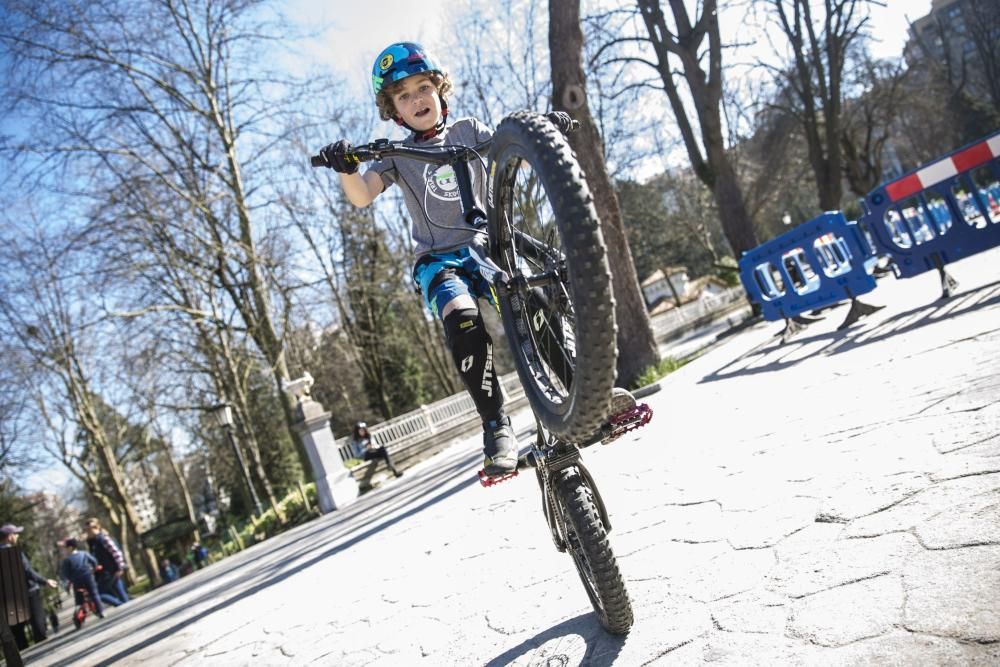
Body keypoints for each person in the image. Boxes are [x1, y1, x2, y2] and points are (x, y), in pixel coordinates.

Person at [319, 42, 634, 476]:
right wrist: (346, 168)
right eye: (403, 96)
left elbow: (512, 152)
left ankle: (585, 398)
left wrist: (545, 133)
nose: (417, 99)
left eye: (423, 87)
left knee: (529, 297)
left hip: (488, 247)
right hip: (438, 259)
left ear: (440, 89)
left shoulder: (469, 130)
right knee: (460, 315)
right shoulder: (394, 154)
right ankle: (495, 424)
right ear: (393, 111)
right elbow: (361, 196)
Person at [0, 523, 58, 649]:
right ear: (9, 537)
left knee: (17, 631)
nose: (17, 536)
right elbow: (28, 571)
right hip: (29, 592)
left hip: (9, 598)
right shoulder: (15, 552)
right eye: (15, 534)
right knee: (39, 625)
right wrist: (45, 581)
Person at [83, 518, 129, 605]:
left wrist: (120, 568)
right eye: (86, 530)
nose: (88, 532)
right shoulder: (93, 542)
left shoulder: (103, 539)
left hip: (112, 571)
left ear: (97, 527)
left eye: (90, 528)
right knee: (120, 595)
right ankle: (123, 605)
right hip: (105, 572)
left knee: (99, 593)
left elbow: (116, 552)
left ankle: (120, 604)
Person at [57, 538, 104, 620]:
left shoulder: (67, 560)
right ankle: (101, 611)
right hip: (88, 577)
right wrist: (94, 568)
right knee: (94, 594)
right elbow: (94, 561)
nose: (65, 550)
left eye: (66, 548)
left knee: (79, 599)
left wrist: (68, 581)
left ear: (70, 548)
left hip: (76, 580)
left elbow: (65, 573)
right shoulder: (84, 554)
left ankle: (79, 612)